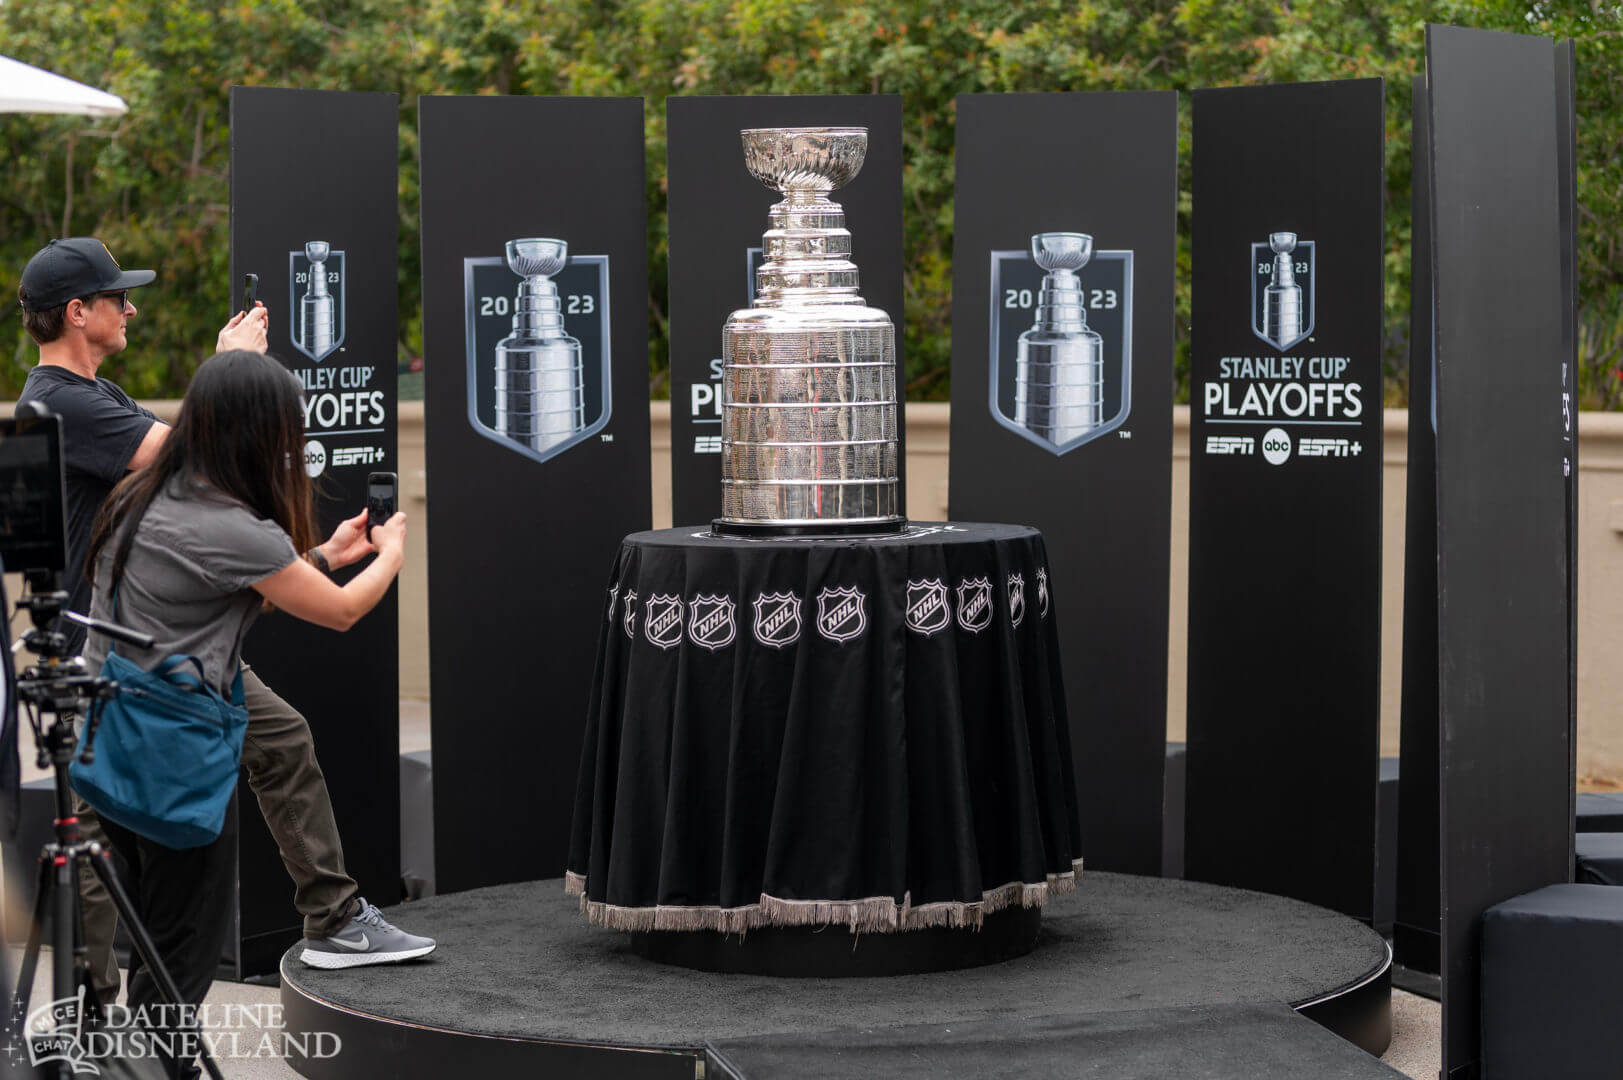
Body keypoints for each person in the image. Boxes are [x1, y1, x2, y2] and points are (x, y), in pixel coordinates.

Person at [14, 237, 433, 988]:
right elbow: (200, 460)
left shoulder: (97, 395)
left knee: (282, 741)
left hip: (175, 638)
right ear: (78, 313)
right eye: (117, 297)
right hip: (113, 660)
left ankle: (333, 918)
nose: (131, 307)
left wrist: (323, 556)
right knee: (103, 837)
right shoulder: (61, 401)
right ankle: (94, 1010)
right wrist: (231, 365)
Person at [82, 349, 426, 1072]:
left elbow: (234, 586)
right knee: (183, 950)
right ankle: (155, 1060)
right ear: (253, 433)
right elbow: (337, 614)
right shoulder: (233, 523)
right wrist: (393, 551)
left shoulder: (148, 491)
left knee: (159, 936)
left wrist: (324, 554)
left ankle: (155, 1048)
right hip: (175, 749)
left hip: (115, 727)